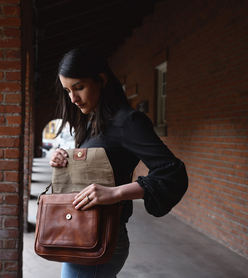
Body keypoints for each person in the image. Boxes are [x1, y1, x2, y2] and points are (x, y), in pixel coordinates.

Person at [49, 46, 188, 278]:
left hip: (100, 236)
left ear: (101, 80)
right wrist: (64, 159)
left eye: (79, 87)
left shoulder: (128, 121)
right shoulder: (91, 121)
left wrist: (115, 193)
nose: (73, 98)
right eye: (67, 91)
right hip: (81, 232)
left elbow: (171, 172)